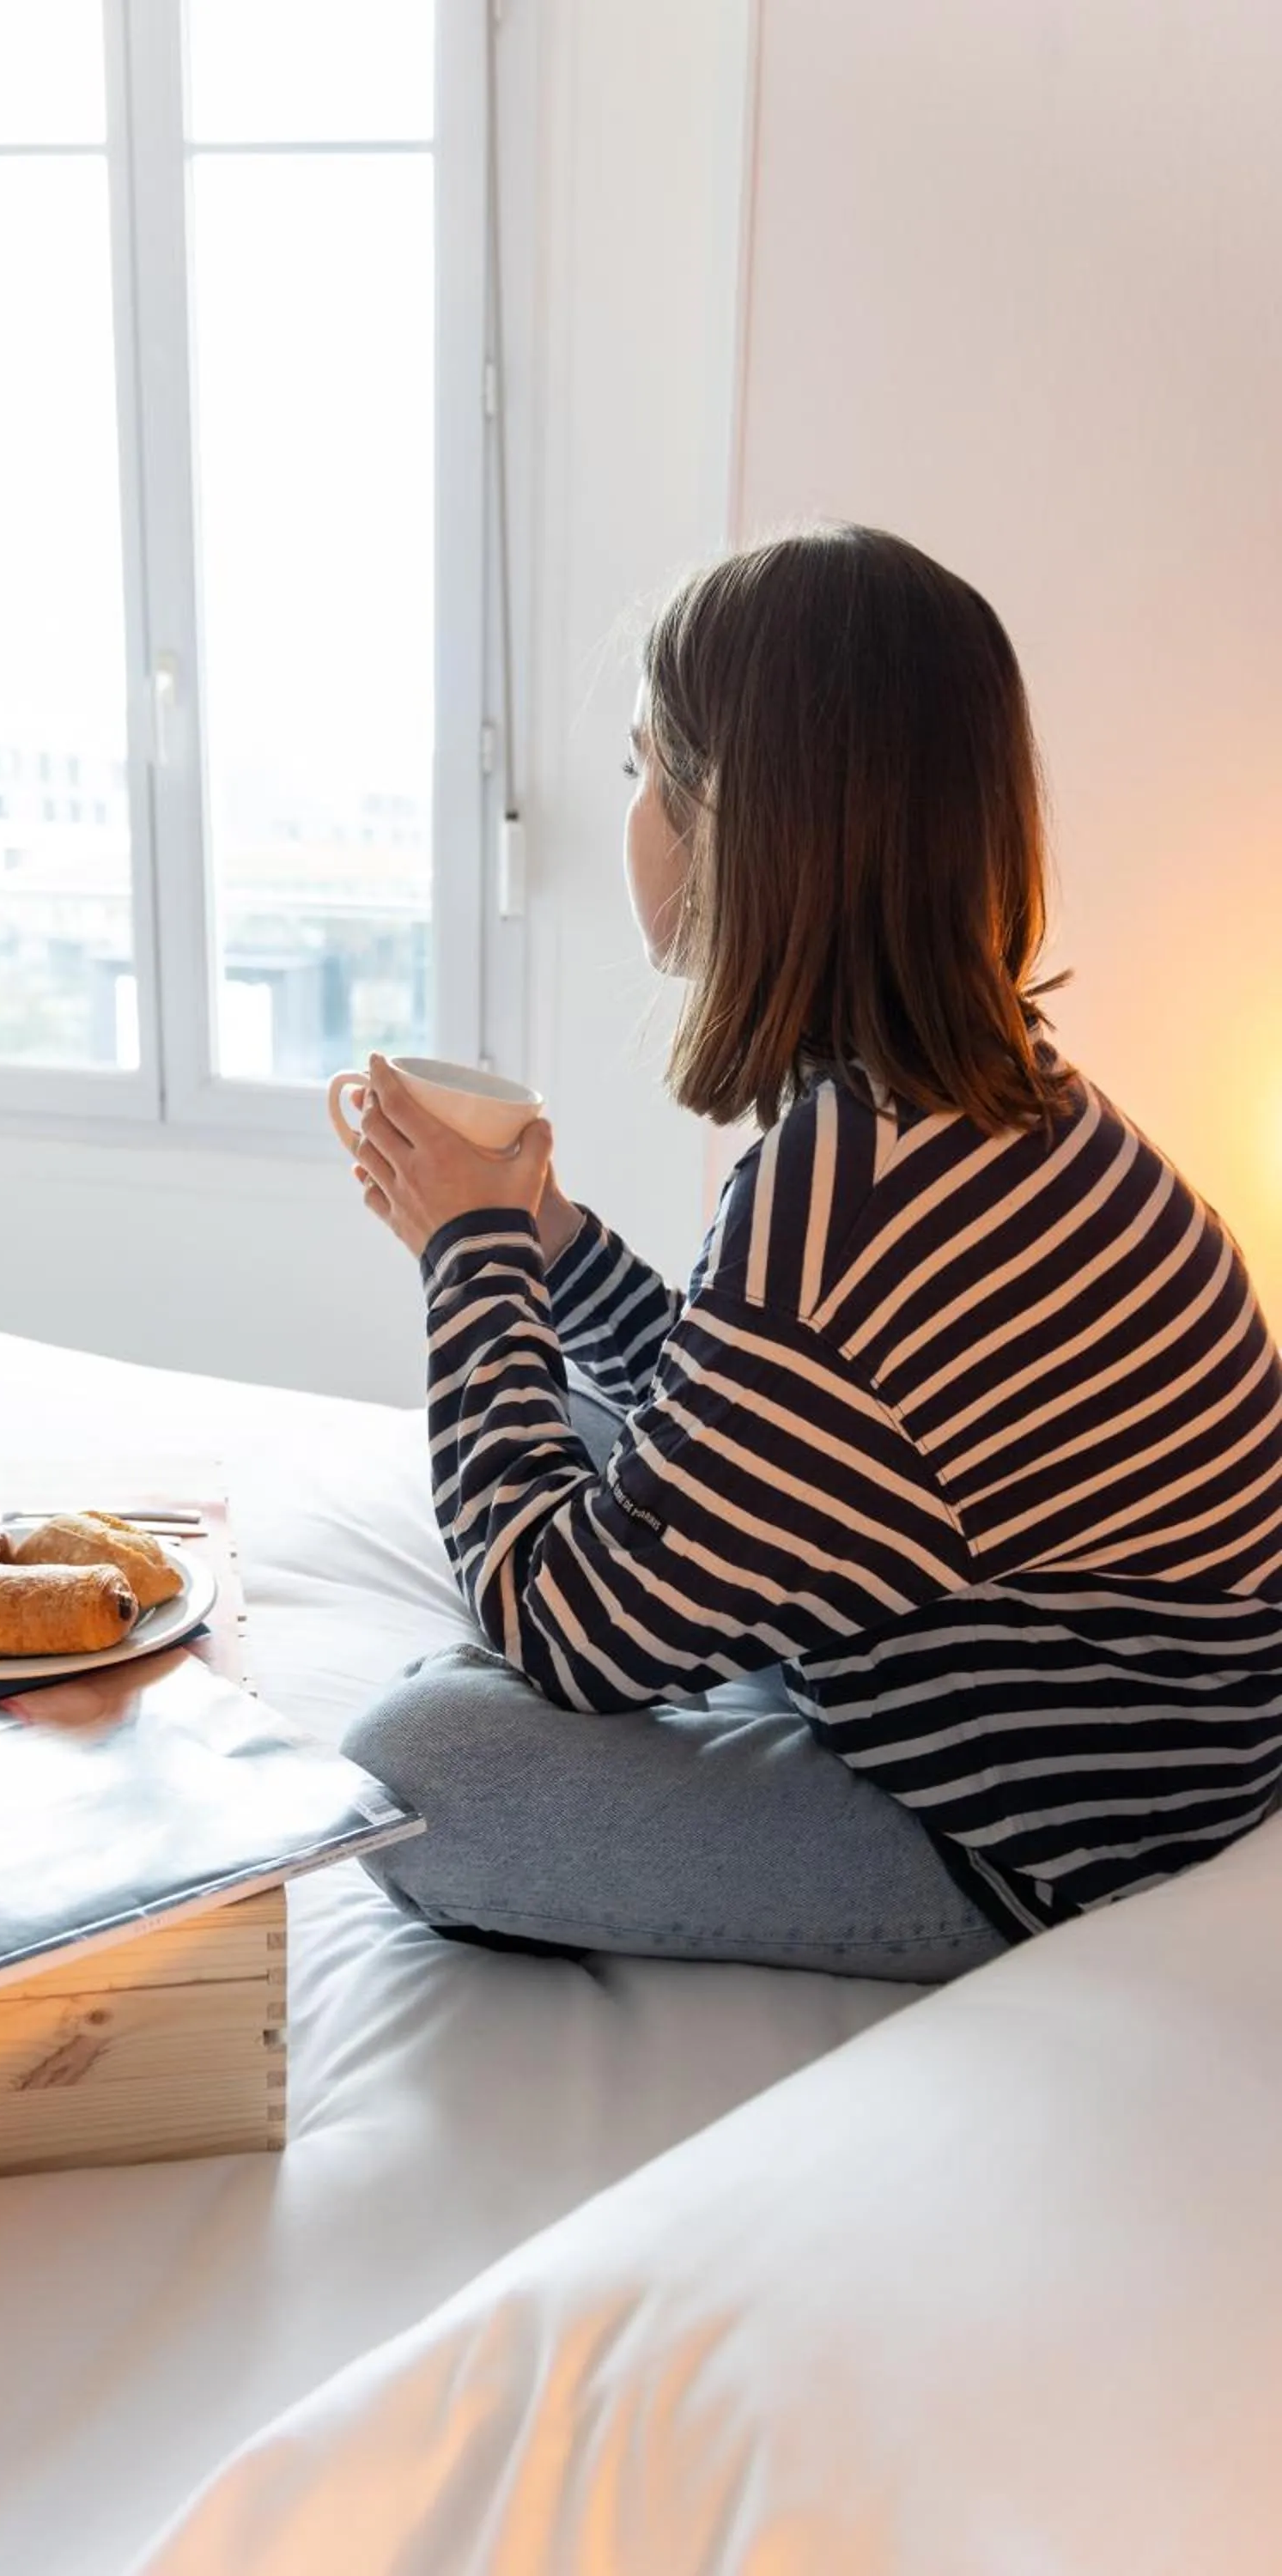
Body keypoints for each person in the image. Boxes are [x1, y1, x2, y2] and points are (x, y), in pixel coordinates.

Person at [342, 523, 1282, 1980]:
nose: (631, 812)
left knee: (419, 1769)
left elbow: (565, 1633)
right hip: (1106, 1725)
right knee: (576, 1413)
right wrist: (547, 1240)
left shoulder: (850, 1185)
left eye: (644, 770)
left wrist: (470, 1255)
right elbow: (777, 1412)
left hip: (1042, 1842)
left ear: (738, 818)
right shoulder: (973, 1102)